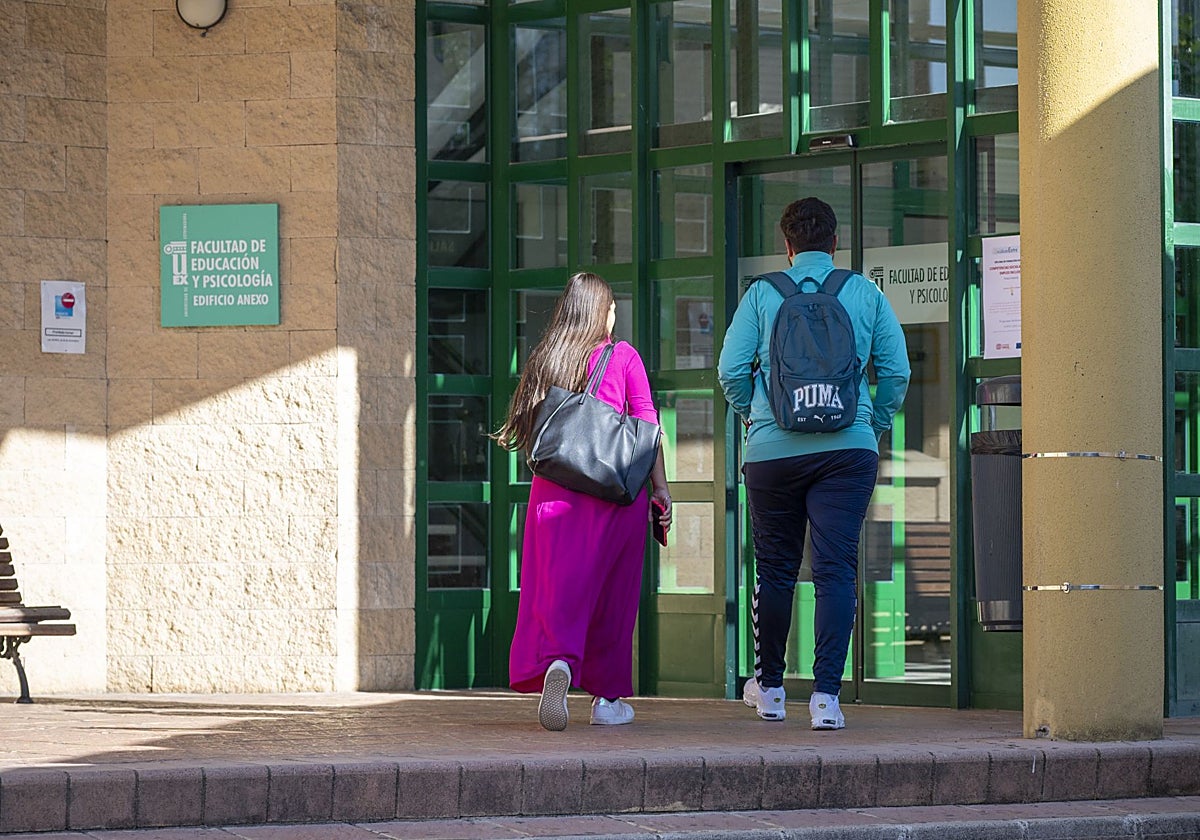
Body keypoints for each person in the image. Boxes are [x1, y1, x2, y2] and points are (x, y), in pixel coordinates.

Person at [717, 197, 910, 729]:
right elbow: (896, 371)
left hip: (773, 452)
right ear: (834, 243)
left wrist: (757, 417)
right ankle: (826, 698)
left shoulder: (762, 294)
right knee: (835, 567)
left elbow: (731, 370)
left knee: (775, 569)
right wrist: (873, 424)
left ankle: (772, 690)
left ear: (787, 245)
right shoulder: (864, 292)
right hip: (848, 450)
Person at [493, 271, 672, 731]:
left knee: (557, 588)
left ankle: (559, 663)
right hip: (613, 493)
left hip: (553, 493)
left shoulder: (547, 357)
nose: (615, 316)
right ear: (601, 312)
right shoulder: (623, 356)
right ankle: (607, 700)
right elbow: (649, 428)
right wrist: (660, 489)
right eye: (612, 307)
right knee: (612, 594)